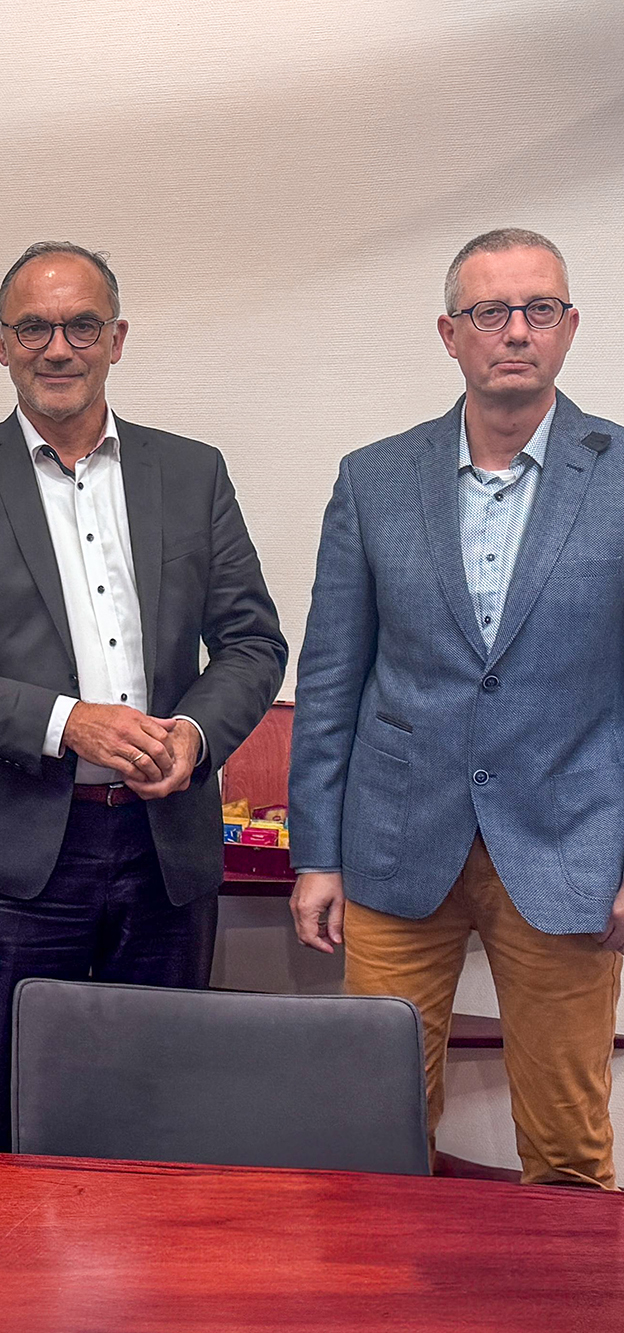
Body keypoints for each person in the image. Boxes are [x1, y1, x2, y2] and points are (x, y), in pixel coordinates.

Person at [0, 242, 285, 1152]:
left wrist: (192, 730)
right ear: (1, 342)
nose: (57, 346)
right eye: (34, 326)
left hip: (165, 842)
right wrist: (70, 722)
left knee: (160, 1105)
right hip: (17, 852)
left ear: (117, 339)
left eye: (81, 326)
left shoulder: (192, 472)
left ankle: (149, 1294)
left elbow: (254, 640)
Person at [290, 227, 624, 1188]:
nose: (515, 331)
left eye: (539, 310)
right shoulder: (374, 477)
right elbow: (331, 678)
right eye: (490, 312)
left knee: (566, 1149)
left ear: (569, 328)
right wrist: (317, 853)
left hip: (570, 850)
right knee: (374, 1134)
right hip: (396, 846)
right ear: (449, 332)